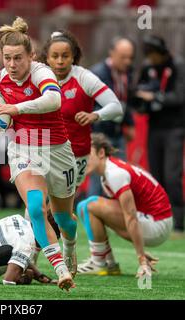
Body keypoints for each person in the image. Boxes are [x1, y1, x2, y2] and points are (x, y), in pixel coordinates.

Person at [0, 17, 77, 290]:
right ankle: (61, 269)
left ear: (31, 56)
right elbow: (0, 115)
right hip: (25, 147)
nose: (12, 64)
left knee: (65, 218)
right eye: (7, 58)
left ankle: (70, 245)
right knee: (35, 207)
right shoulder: (0, 79)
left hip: (57, 150)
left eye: (18, 58)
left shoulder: (42, 73)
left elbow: (54, 99)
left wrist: (16, 109)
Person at [76, 133, 173, 277]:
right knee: (87, 206)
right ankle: (108, 264)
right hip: (154, 221)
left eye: (87, 154)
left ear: (101, 153)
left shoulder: (114, 174)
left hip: (157, 223)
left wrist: (141, 259)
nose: (84, 159)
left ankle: (99, 262)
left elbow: (131, 216)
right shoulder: (109, 173)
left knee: (88, 205)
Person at [39, 30, 123, 188]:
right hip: (44, 151)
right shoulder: (38, 77)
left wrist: (95, 115)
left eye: (65, 56)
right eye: (55, 56)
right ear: (47, 58)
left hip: (76, 155)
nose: (60, 61)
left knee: (58, 208)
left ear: (73, 57)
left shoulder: (84, 78)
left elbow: (116, 108)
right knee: (37, 206)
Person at [135, 35, 184, 234]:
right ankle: (159, 220)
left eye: (153, 54)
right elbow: (138, 91)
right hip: (154, 127)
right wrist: (141, 100)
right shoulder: (148, 67)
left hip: (175, 128)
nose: (150, 59)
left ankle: (178, 221)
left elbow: (180, 96)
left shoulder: (178, 65)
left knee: (172, 175)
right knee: (156, 174)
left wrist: (155, 97)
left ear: (161, 52)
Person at [87, 37, 136, 197]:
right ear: (112, 53)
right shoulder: (98, 73)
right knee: (97, 178)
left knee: (121, 176)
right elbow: (91, 105)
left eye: (130, 57)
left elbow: (125, 101)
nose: (127, 61)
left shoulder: (127, 73)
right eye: (123, 57)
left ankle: (114, 216)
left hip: (117, 133)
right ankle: (91, 215)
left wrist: (129, 123)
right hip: (99, 134)